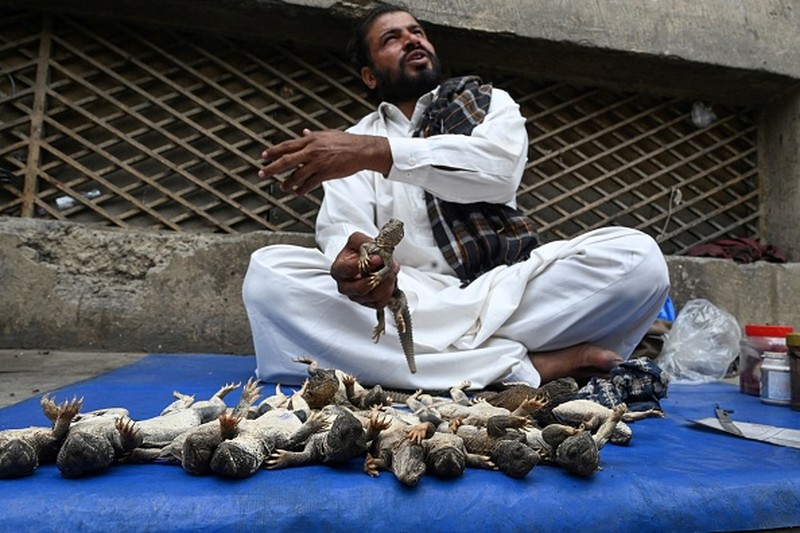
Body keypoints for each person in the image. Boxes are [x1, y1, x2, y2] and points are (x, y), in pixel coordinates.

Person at [242, 4, 670, 390]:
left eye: (417, 32)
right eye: (392, 38)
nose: (412, 40)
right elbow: (342, 227)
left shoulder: (487, 104)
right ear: (370, 76)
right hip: (406, 298)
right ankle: (529, 366)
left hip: (501, 288)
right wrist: (362, 268)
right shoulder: (355, 141)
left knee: (639, 260)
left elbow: (497, 174)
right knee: (268, 275)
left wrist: (378, 154)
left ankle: (438, 363)